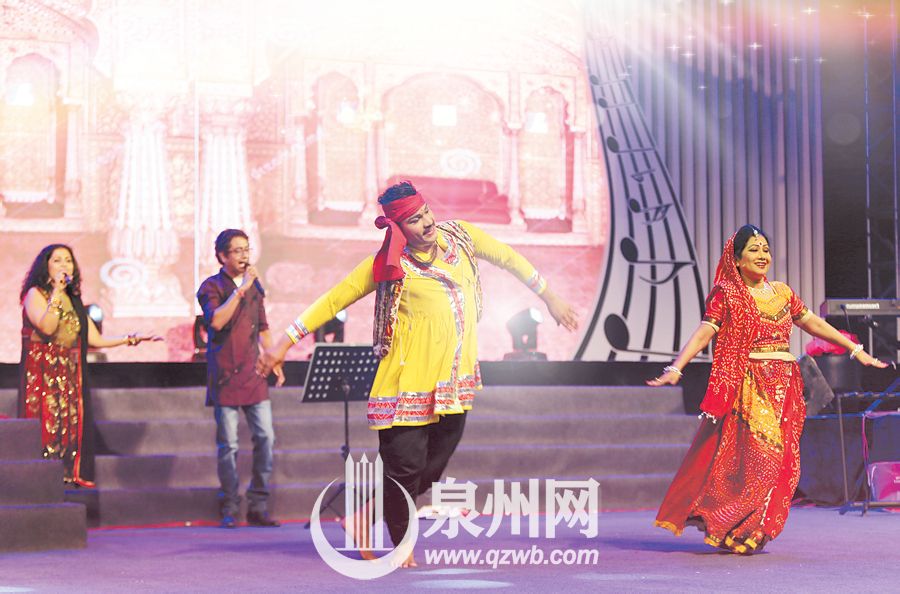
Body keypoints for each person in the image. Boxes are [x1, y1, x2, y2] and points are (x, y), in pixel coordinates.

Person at [257, 181, 578, 566]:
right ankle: (402, 542)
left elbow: (509, 258)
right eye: (414, 220)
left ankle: (363, 517)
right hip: (405, 385)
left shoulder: (461, 237)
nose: (426, 223)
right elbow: (333, 299)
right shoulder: (389, 265)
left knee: (431, 469)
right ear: (398, 228)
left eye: (425, 212)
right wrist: (283, 344)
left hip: (451, 384)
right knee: (404, 471)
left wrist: (550, 296)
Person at [648, 225, 887, 553]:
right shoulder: (727, 293)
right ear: (737, 259)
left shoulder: (782, 292)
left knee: (782, 460)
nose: (762, 255)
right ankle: (728, 519)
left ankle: (749, 531)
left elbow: (812, 323)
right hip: (750, 385)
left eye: (765, 249)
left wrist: (856, 350)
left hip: (786, 386)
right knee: (767, 458)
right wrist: (676, 367)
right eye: (754, 249)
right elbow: (705, 331)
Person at [18, 244, 160, 488]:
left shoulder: (74, 301)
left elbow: (95, 339)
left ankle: (65, 476)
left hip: (68, 372)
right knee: (45, 423)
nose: (64, 265)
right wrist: (56, 293)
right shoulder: (35, 294)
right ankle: (40, 480)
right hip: (42, 372)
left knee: (68, 424)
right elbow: (48, 327)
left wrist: (131, 339)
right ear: (45, 266)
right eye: (57, 260)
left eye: (68, 260)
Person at [197, 229, 285, 529]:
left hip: (253, 373)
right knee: (229, 445)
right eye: (237, 251)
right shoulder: (211, 286)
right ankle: (230, 506)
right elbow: (216, 321)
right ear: (222, 256)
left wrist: (273, 358)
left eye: (247, 249)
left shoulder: (255, 286)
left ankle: (258, 505)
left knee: (266, 437)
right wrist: (241, 290)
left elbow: (263, 327)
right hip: (224, 374)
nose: (244, 256)